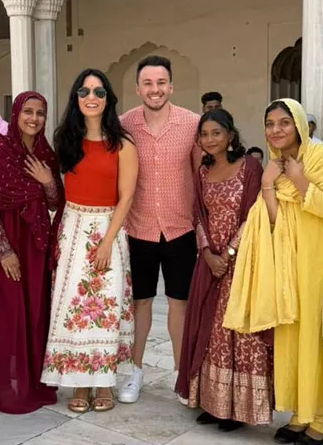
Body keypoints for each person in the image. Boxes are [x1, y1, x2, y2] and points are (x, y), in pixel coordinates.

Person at [223, 98, 323, 445]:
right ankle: (300, 411)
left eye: (284, 123)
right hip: (288, 260)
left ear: (300, 125)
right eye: (270, 124)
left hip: (316, 258)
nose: (276, 130)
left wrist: (299, 180)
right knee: (292, 335)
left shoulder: (320, 158)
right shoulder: (273, 164)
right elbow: (272, 219)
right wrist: (267, 183)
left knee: (317, 337)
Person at [41, 69, 138, 413]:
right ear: (76, 99)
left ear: (108, 98)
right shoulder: (66, 140)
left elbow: (126, 197)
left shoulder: (123, 144)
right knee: (72, 308)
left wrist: (107, 241)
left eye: (98, 91)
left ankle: (104, 383)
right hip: (72, 228)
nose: (91, 97)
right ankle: (78, 383)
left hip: (107, 227)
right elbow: (59, 192)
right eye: (84, 91)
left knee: (106, 308)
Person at [0, 91, 66, 414]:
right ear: (16, 114)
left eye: (40, 113)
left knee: (36, 312)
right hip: (8, 242)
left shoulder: (44, 153)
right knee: (11, 313)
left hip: (37, 243)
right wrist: (4, 250)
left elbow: (54, 202)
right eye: (28, 112)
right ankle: (8, 386)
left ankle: (34, 382)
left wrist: (49, 181)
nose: (34, 119)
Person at [175, 109, 271, 432]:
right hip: (210, 264)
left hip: (242, 263)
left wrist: (229, 253)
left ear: (230, 135)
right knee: (212, 332)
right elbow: (198, 215)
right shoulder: (202, 172)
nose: (210, 140)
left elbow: (255, 213)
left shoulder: (250, 167)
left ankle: (239, 410)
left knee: (240, 335)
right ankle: (215, 404)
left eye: (216, 133)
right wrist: (207, 253)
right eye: (204, 134)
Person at [118, 55, 201, 404]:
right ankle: (134, 371)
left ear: (171, 86)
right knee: (141, 304)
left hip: (181, 229)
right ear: (138, 88)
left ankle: (182, 376)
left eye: (161, 82)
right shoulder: (124, 125)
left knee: (179, 304)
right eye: (148, 83)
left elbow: (200, 175)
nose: (155, 89)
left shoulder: (192, 124)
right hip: (139, 228)